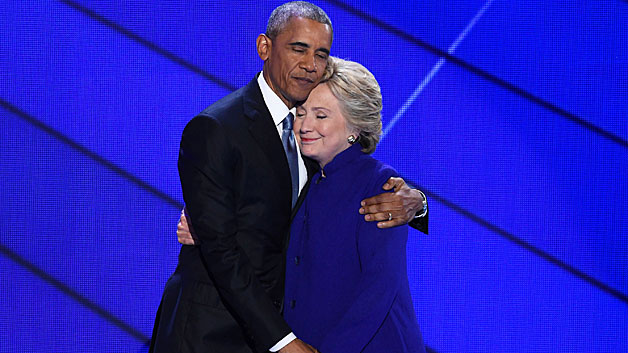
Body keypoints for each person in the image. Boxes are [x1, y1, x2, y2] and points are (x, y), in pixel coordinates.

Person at [150, 2, 427, 353]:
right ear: (264, 47)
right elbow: (223, 248)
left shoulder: (319, 150)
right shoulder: (217, 128)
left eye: (321, 54)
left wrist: (417, 203)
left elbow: (376, 273)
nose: (310, 64)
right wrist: (208, 227)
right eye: (299, 48)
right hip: (214, 334)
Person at [283, 56, 425, 352]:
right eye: (301, 112)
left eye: (321, 116)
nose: (305, 125)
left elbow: (379, 287)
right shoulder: (303, 175)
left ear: (355, 128)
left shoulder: (381, 185)